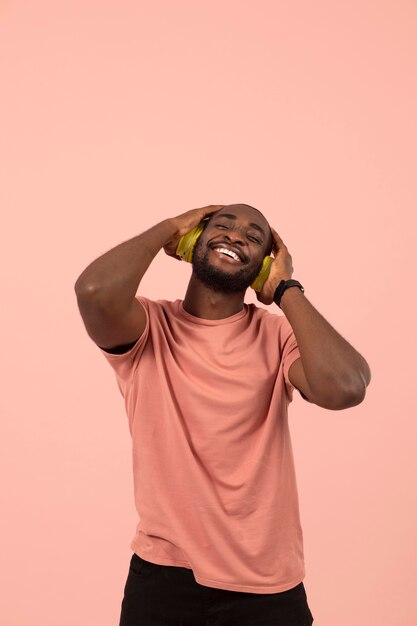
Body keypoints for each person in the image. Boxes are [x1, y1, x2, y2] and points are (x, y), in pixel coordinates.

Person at [74, 203, 371, 625]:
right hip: (164, 578)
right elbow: (93, 292)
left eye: (254, 237)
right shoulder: (148, 326)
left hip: (266, 585)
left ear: (263, 266)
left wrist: (286, 289)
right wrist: (169, 228)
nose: (236, 236)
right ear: (193, 240)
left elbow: (346, 387)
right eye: (223, 226)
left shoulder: (276, 334)